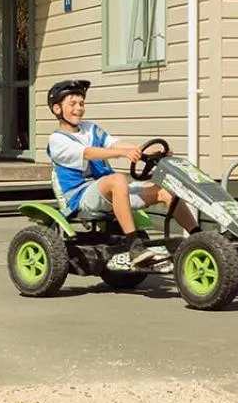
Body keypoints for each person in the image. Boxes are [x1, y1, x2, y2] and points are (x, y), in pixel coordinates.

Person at [46, 79, 197, 266]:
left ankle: (200, 238)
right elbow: (89, 153)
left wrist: (145, 153)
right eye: (72, 104)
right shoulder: (57, 139)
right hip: (81, 196)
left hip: (109, 190)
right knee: (118, 179)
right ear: (57, 109)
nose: (79, 108)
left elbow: (114, 143)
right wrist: (122, 153)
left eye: (82, 103)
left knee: (165, 191)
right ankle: (134, 245)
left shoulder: (90, 128)